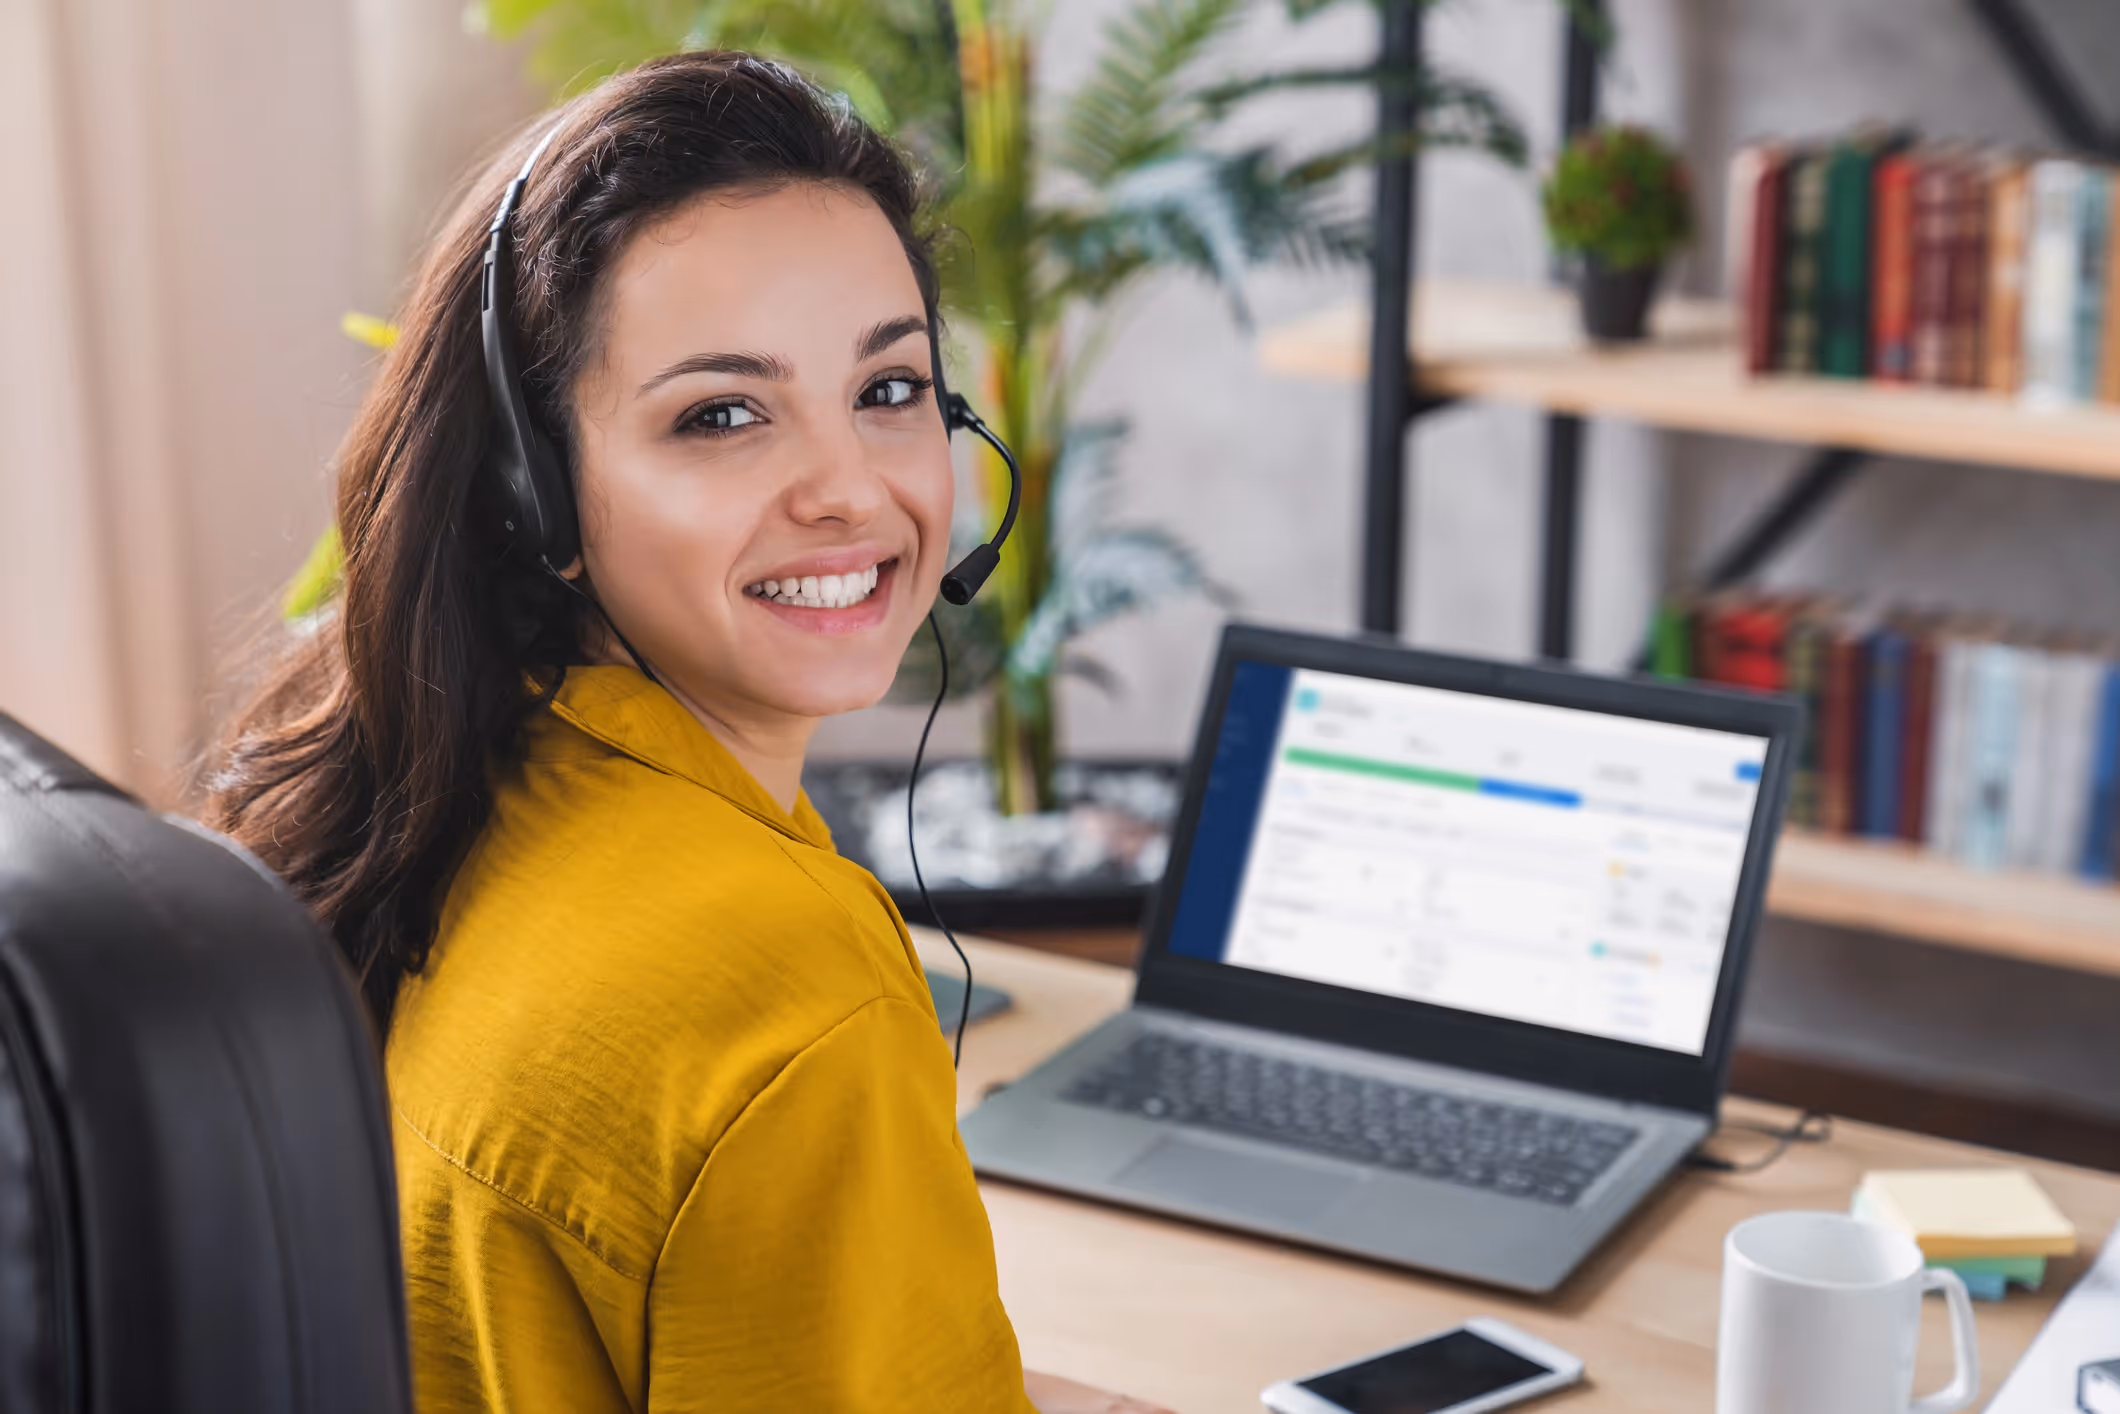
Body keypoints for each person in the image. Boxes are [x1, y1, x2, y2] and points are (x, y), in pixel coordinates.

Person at [203, 50, 1173, 1414]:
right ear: (535, 489)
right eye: (723, 413)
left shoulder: (436, 800)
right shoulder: (789, 993)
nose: (850, 489)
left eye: (889, 389)